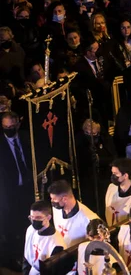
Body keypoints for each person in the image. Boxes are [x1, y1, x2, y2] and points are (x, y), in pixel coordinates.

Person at [0, 111, 33, 264]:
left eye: (12, 126)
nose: (9, 129)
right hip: (10, 192)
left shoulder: (27, 137)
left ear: (18, 125)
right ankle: (18, 256)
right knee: (14, 225)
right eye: (6, 127)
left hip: (29, 188)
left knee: (30, 222)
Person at [48, 180, 99, 248]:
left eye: (54, 199)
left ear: (64, 199)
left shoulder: (88, 219)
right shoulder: (57, 209)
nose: (52, 201)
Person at [23, 200, 66, 274]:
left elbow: (54, 271)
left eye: (38, 217)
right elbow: (27, 256)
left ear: (48, 217)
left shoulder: (56, 243)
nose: (34, 221)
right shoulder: (30, 229)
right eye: (32, 217)